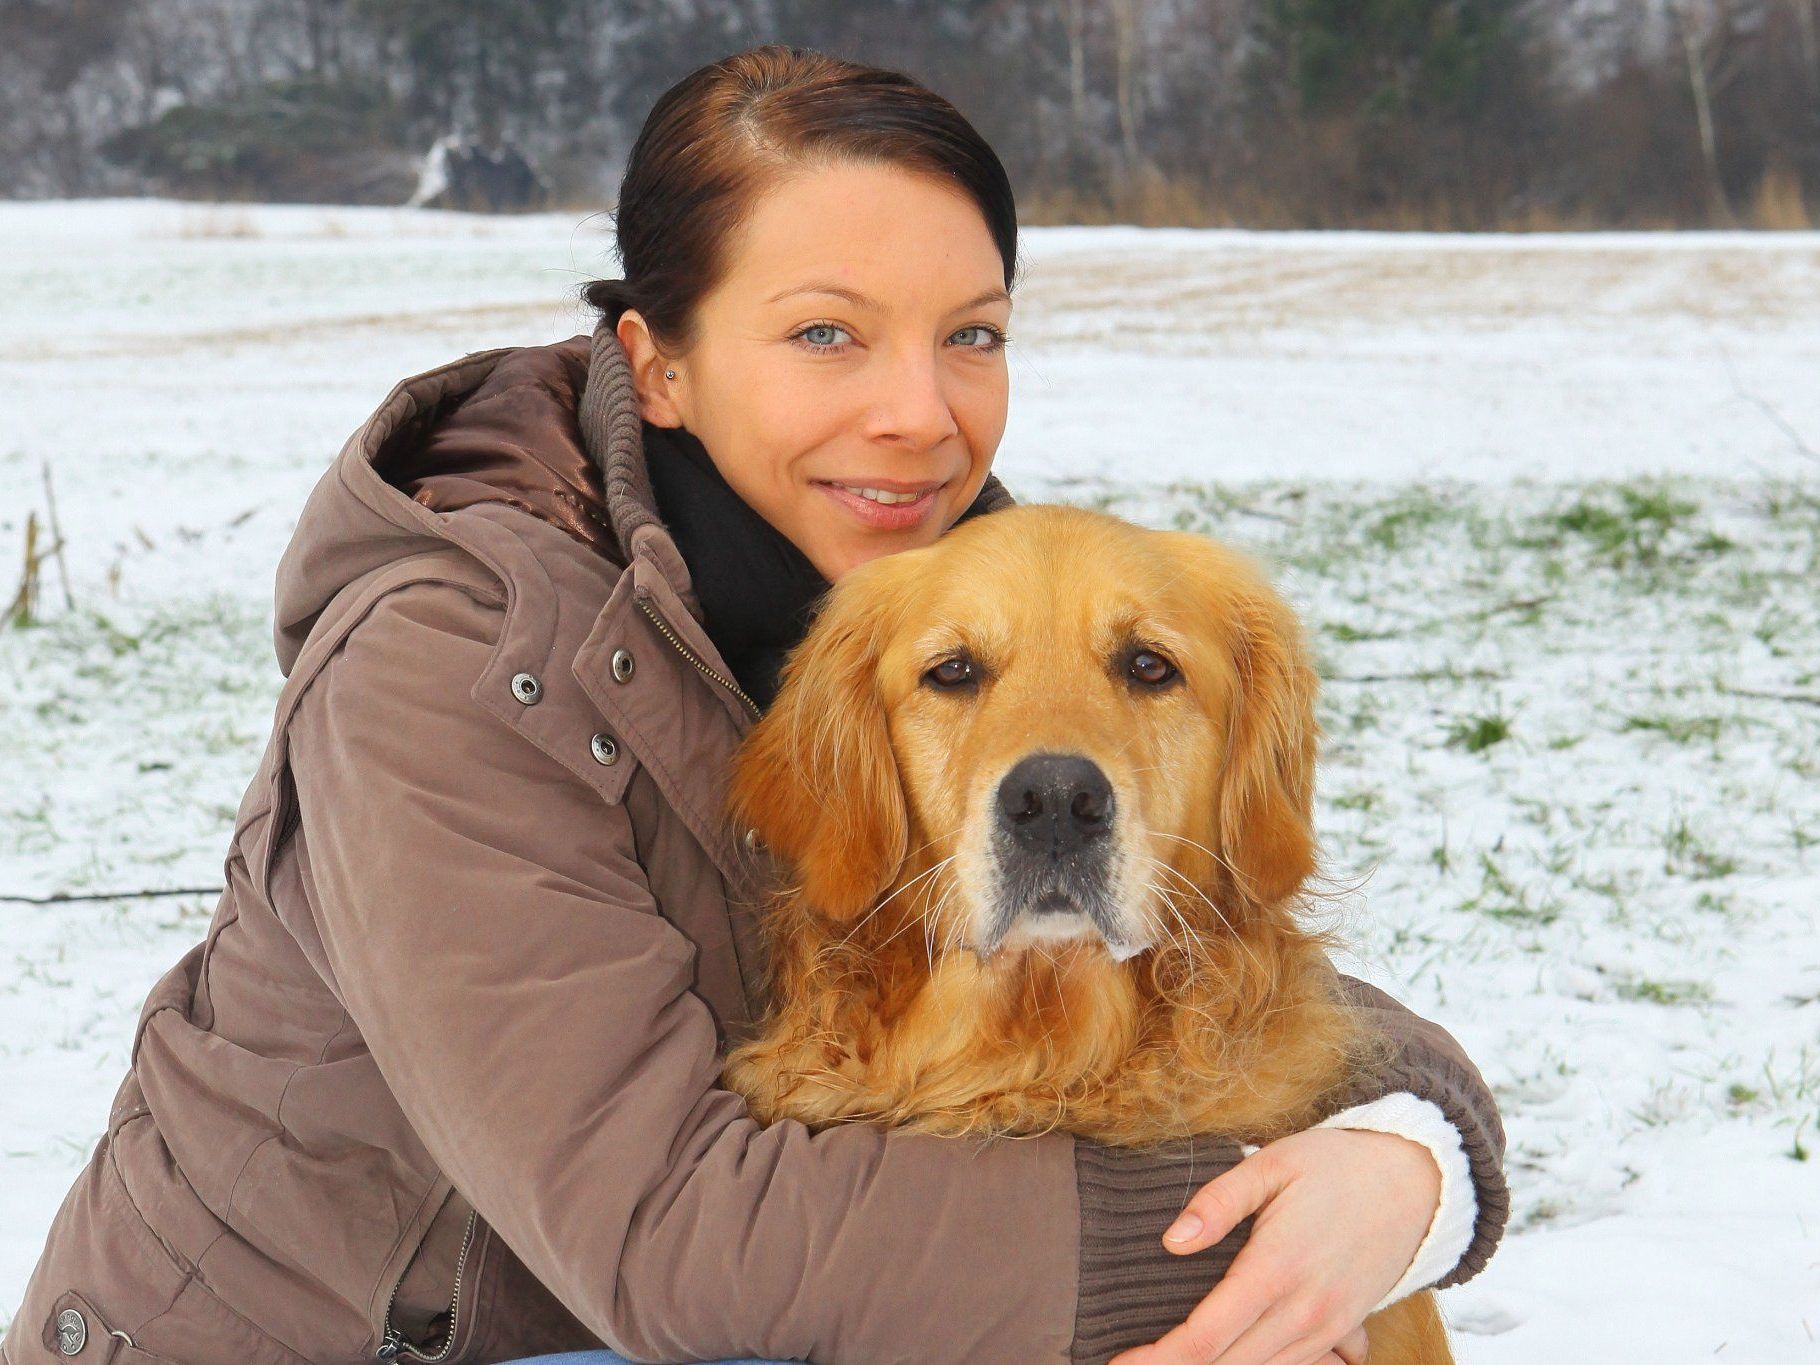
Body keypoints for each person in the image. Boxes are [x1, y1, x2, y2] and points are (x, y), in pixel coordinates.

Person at [1, 45, 1507, 1365]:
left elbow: (1224, 949)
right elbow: (664, 1226)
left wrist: (1411, 1151)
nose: (922, 414)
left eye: (970, 333)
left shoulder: (921, 575)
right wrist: (1237, 1249)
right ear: (655, 364)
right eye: (826, 334)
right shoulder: (444, 667)